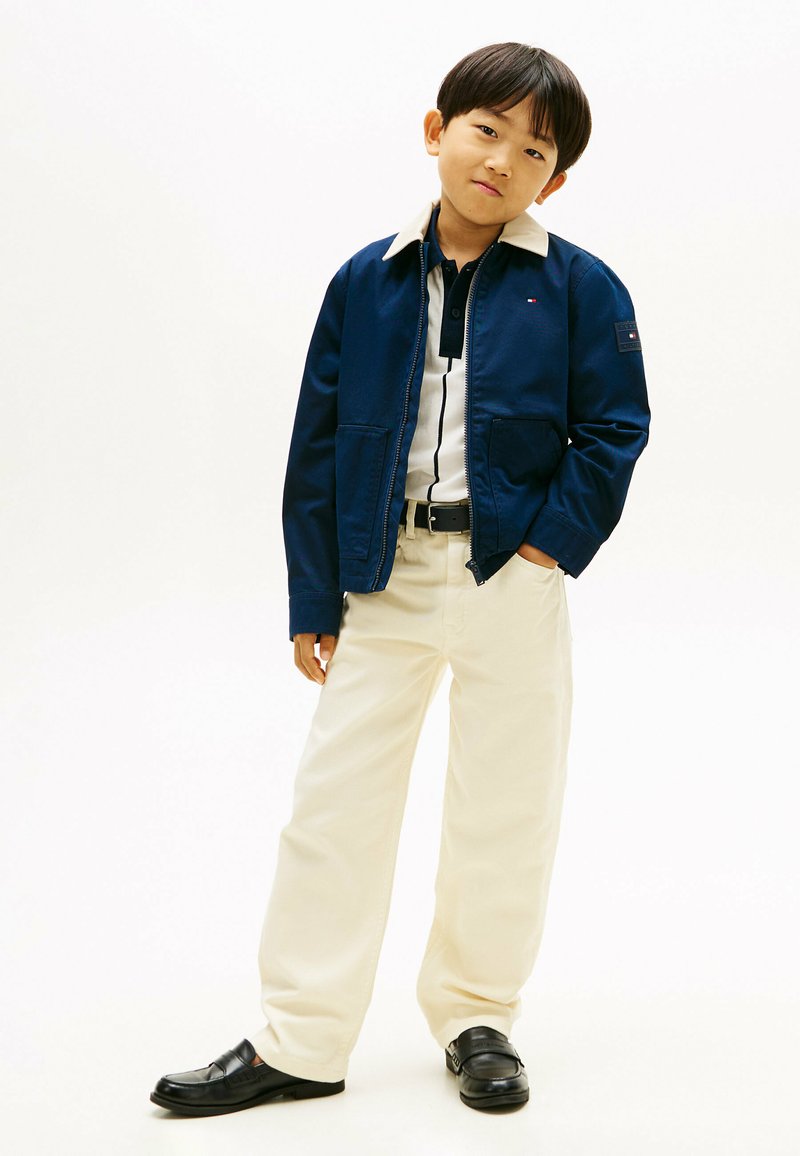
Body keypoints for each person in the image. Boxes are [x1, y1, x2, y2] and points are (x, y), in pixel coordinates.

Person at [151, 40, 650, 1116]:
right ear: (436, 131)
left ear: (554, 180)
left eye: (534, 150)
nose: (502, 160)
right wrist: (312, 594)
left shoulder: (578, 285)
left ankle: (477, 1017)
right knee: (333, 805)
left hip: (509, 577)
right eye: (485, 130)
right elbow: (318, 444)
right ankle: (301, 1038)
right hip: (383, 577)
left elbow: (615, 428)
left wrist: (544, 547)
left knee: (505, 805)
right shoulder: (365, 280)